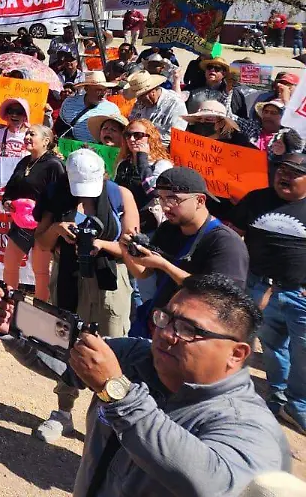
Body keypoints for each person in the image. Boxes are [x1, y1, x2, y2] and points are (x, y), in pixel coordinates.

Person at [0, 274, 291, 495]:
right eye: (165, 319)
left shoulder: (249, 426)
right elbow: (70, 358)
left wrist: (117, 391)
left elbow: (217, 485)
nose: (166, 334)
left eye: (187, 329)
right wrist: (15, 325)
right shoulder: (137, 356)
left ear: (236, 354)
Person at [31, 149, 139, 443]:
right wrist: (56, 229)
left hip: (109, 280)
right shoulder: (57, 195)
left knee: (115, 345)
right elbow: (41, 243)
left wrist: (100, 244)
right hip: (67, 274)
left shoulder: (120, 195)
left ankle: (115, 421)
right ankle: (63, 412)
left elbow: (132, 249)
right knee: (67, 342)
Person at [122, 167, 249, 338]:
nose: (166, 206)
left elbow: (220, 295)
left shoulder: (226, 243)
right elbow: (144, 274)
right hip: (162, 324)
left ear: (200, 200)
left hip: (195, 335)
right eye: (161, 198)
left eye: (174, 199)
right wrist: (128, 251)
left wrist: (165, 265)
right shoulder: (169, 229)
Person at [233, 153, 306, 430]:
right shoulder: (256, 200)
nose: (284, 176)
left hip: (300, 295)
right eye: (281, 170)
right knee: (273, 347)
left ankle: (298, 405)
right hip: (260, 289)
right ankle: (278, 398)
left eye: (294, 173)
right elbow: (231, 232)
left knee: (303, 353)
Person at [1, 126, 65, 298]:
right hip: (20, 224)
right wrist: (7, 201)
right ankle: (8, 305)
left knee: (41, 271)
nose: (27, 136)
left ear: (46, 141)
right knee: (10, 264)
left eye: (32, 134)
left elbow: (61, 199)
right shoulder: (24, 162)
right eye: (26, 133)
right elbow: (10, 188)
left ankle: (40, 311)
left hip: (43, 226)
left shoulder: (54, 165)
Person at [113, 118, 174, 231]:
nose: (131, 139)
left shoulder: (161, 164)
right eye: (128, 135)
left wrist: (142, 159)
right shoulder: (123, 164)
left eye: (138, 135)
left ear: (150, 138)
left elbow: (154, 192)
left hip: (147, 223)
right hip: (122, 219)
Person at [122, 71, 186, 144]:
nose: (139, 100)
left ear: (152, 92)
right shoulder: (139, 103)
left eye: (141, 96)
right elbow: (131, 123)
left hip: (163, 149)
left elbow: (175, 136)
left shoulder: (175, 104)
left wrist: (147, 144)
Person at [57, 71, 121, 142]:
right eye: (99, 90)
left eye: (105, 90)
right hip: (70, 149)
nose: (103, 93)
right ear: (86, 89)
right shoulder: (69, 103)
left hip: (98, 151)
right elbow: (60, 126)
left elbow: (116, 136)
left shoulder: (112, 109)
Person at [181, 100, 255, 148]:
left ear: (221, 123)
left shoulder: (238, 146)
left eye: (208, 119)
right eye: (199, 118)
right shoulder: (187, 143)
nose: (202, 122)